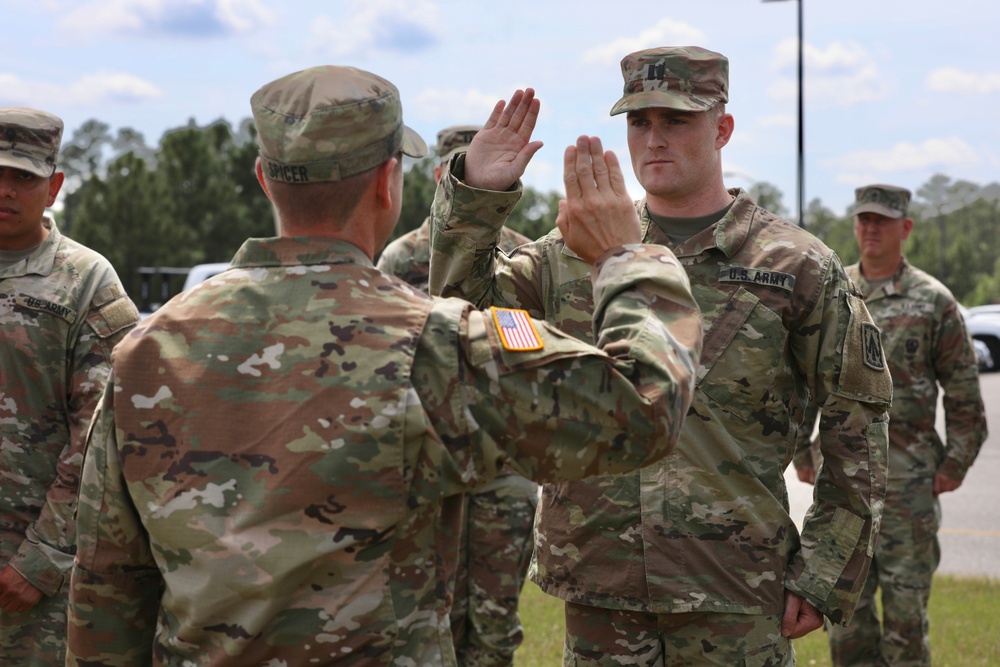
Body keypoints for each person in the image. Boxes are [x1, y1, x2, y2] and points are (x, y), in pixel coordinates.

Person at [64, 64, 704, 666]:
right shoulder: (432, 342)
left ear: (264, 177)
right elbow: (645, 405)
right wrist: (625, 255)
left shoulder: (145, 351)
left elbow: (105, 589)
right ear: (387, 182)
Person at [428, 46, 894, 665]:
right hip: (601, 582)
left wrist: (824, 569)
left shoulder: (795, 265)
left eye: (677, 121)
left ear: (721, 127)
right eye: (640, 122)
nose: (654, 140)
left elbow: (857, 422)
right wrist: (475, 200)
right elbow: (465, 331)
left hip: (733, 586)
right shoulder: (572, 251)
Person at [793, 184, 988, 666]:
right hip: (843, 492)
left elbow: (965, 397)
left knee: (906, 628)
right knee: (847, 628)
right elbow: (803, 383)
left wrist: (952, 466)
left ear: (906, 227)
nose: (870, 228)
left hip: (909, 491)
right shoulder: (834, 293)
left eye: (882, 220)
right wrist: (802, 452)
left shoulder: (933, 301)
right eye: (864, 219)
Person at [378, 125, 537, 666]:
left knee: (496, 623)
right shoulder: (399, 258)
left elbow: (525, 351)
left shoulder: (520, 256)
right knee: (424, 615)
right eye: (455, 166)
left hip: (500, 458)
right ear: (440, 172)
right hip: (423, 458)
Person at [0, 106, 139, 666]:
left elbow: (103, 431)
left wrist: (41, 558)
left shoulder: (85, 280)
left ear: (54, 186)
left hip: (27, 575)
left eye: (23, 177)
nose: (5, 190)